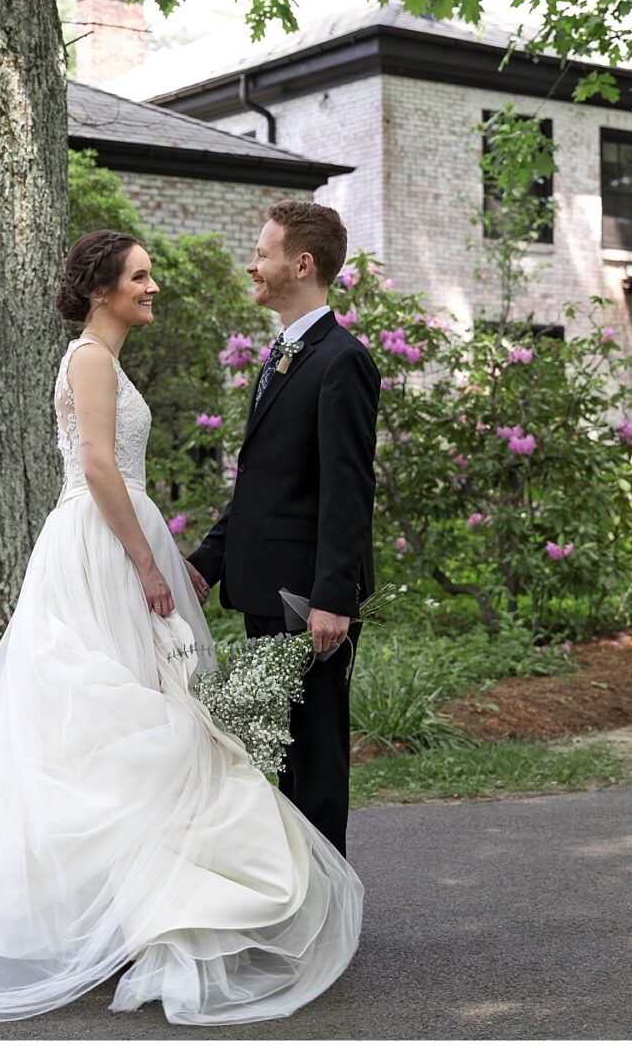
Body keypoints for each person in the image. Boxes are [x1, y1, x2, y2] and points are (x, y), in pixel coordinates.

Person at [0, 230, 360, 1024]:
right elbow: (100, 467)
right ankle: (132, 910)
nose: (154, 286)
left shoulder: (103, 360)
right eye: (140, 276)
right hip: (105, 549)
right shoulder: (89, 360)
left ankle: (140, 906)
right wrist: (148, 563)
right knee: (122, 722)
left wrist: (181, 561)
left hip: (112, 543)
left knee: (136, 719)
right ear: (102, 287)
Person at [185, 200, 379, 855]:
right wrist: (209, 560)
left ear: (302, 263)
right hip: (268, 590)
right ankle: (299, 901)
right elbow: (267, 484)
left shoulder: (341, 360)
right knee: (284, 749)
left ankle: (328, 910)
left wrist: (333, 596)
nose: (252, 264)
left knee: (315, 757)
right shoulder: (284, 355)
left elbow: (347, 490)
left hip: (307, 599)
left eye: (263, 253)